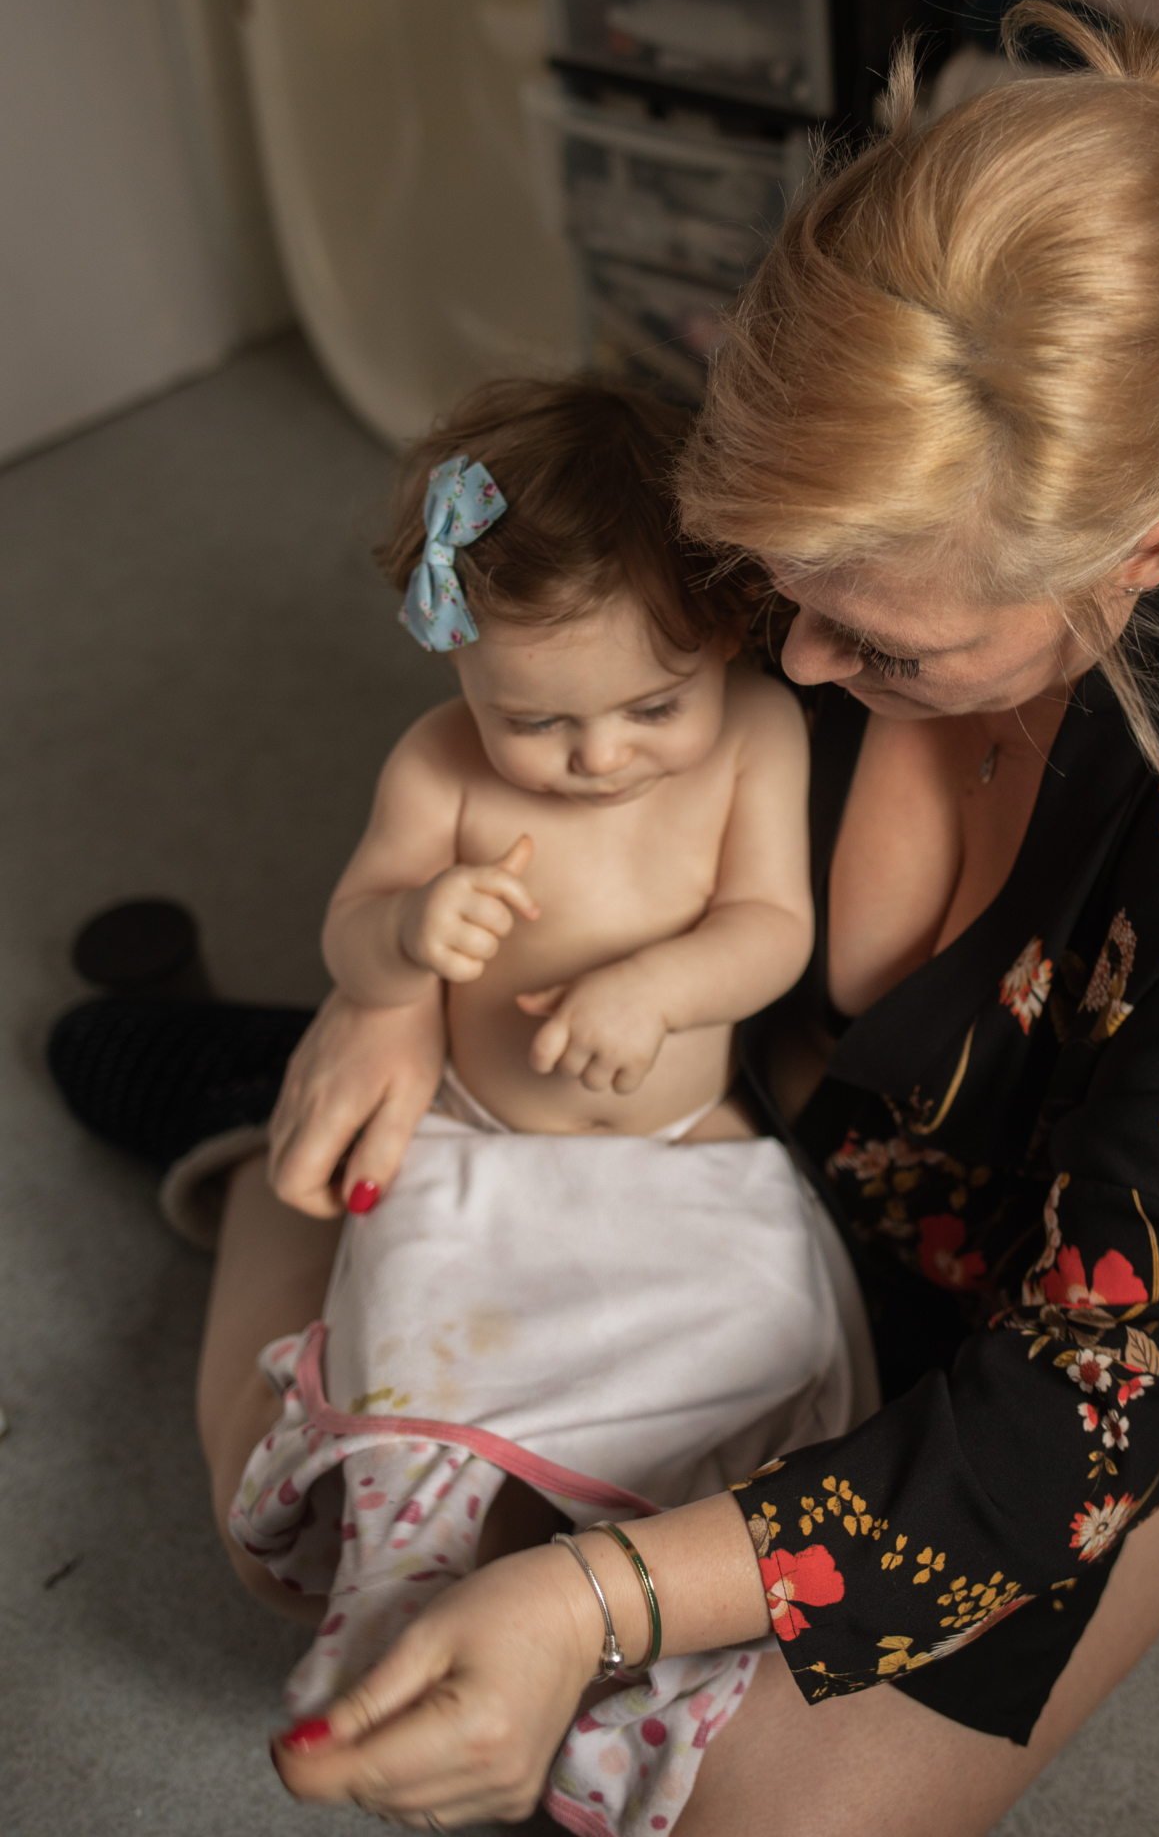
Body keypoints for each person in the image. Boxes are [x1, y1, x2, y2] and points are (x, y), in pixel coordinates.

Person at [186, 4, 1159, 1833]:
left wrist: (598, 1596)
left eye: (889, 648)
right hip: (694, 1150)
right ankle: (253, 1120)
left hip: (1042, 1363)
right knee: (317, 1565)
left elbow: (1121, 1371)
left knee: (754, 1807)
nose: (792, 661)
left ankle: (245, 1110)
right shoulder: (823, 495)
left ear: (1138, 558)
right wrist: (376, 1004)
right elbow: (531, 740)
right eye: (779, 591)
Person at [220, 376, 872, 1831]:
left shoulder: (757, 734)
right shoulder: (440, 765)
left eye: (654, 703)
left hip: (677, 1145)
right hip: (479, 1134)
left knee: (738, 1365)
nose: (597, 757)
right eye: (539, 720)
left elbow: (772, 926)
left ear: (722, 641)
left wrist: (662, 984)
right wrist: (409, 933)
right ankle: (396, 1626)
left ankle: (642, 1662)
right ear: (460, 670)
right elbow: (353, 929)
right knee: (419, 1354)